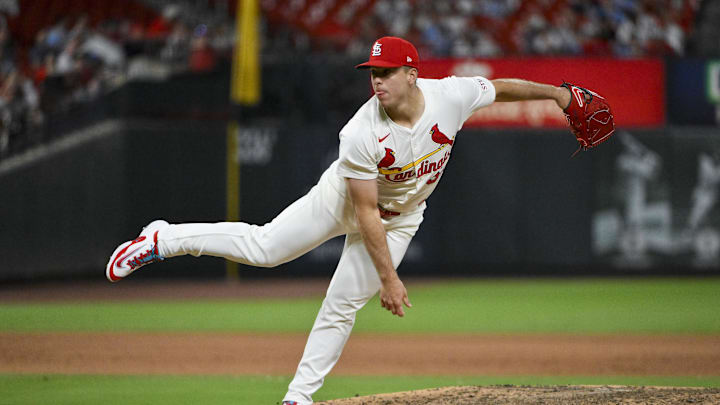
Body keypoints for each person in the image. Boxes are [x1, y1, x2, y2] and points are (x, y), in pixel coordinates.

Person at [106, 36, 572, 405]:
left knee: (342, 304)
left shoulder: (451, 95)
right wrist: (389, 278)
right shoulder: (361, 131)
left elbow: (503, 88)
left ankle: (297, 398)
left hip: (403, 216)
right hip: (343, 201)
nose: (378, 81)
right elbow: (365, 211)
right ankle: (164, 239)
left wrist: (559, 95)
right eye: (373, 73)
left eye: (387, 72)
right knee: (266, 248)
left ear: (412, 74)